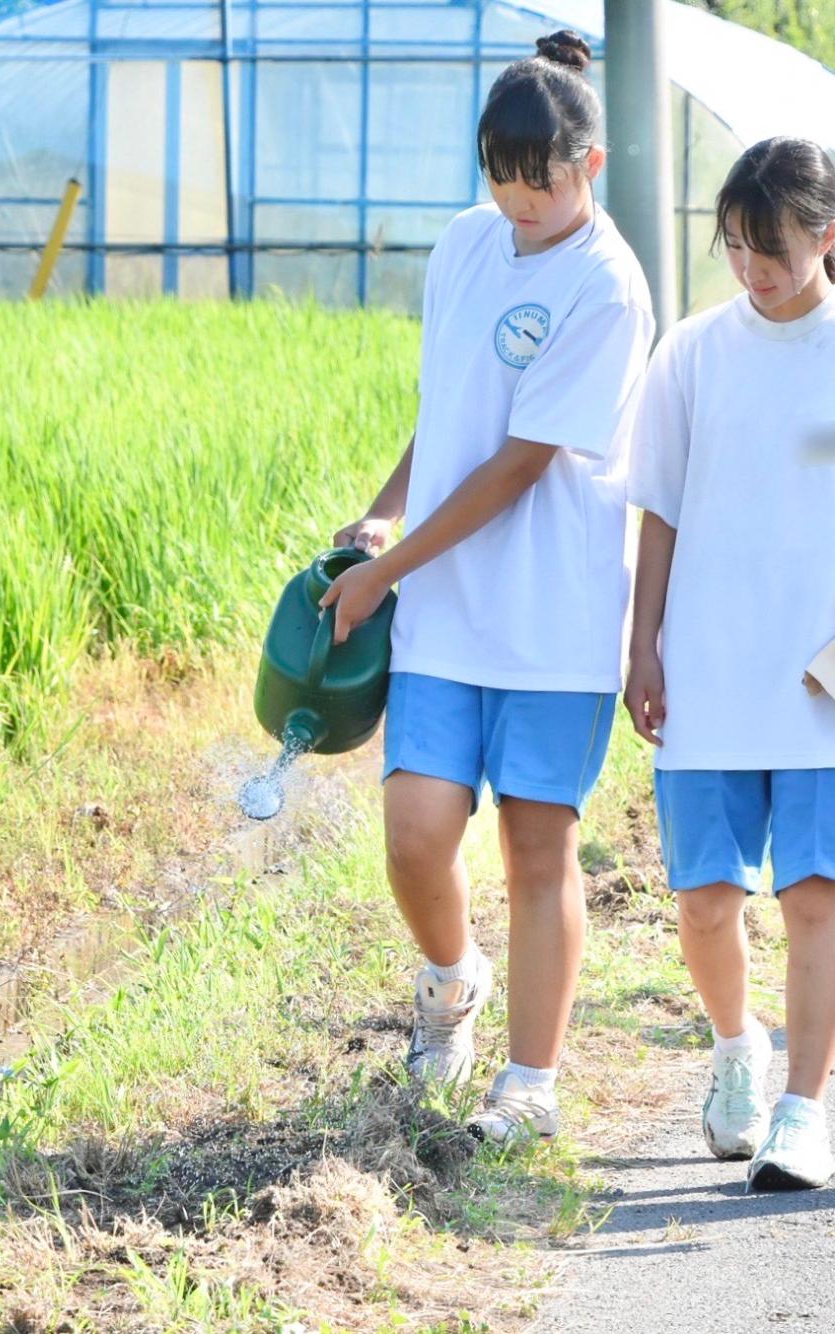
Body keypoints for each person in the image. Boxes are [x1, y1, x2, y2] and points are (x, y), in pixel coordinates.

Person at [319, 30, 654, 1146]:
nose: (520, 202)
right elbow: (454, 411)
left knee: (535, 844)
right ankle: (449, 982)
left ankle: (529, 1080)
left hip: (552, 611)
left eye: (542, 180)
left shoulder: (606, 285)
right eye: (502, 179)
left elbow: (515, 464)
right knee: (415, 830)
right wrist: (384, 507)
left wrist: (383, 572)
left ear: (589, 166)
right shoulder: (465, 247)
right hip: (448, 610)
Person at [623, 137, 835, 1190]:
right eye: (733, 243)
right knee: (704, 896)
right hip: (710, 670)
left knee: (814, 899)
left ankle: (803, 1111)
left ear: (826, 236)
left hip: (832, 679)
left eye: (770, 245)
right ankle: (736, 1050)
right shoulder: (689, 353)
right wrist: (640, 646)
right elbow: (659, 512)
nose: (750, 265)